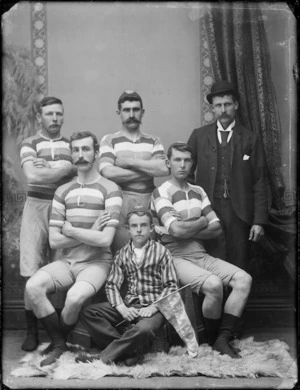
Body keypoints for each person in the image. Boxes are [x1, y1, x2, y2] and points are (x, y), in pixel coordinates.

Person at [25, 131, 122, 367]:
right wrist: (90, 230)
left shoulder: (111, 189)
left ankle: (59, 342)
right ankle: (59, 342)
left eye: (86, 149)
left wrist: (72, 231)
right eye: (76, 150)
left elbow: (105, 240)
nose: (81, 155)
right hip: (67, 262)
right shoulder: (63, 191)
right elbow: (55, 242)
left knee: (75, 296)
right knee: (33, 287)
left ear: (96, 153)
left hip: (96, 263)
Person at [152, 142, 252, 358]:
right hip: (174, 257)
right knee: (214, 284)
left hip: (200, 254)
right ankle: (212, 337)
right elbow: (177, 231)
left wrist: (186, 228)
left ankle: (222, 338)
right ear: (168, 163)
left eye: (187, 160)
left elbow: (216, 228)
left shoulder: (198, 191)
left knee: (244, 280)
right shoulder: (160, 192)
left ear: (192, 164)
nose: (182, 165)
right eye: (177, 160)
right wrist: (199, 222)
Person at [75, 206, 179, 366]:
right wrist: (122, 307)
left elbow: (171, 286)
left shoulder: (162, 252)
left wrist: (154, 307)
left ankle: (104, 357)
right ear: (128, 229)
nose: (139, 230)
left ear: (151, 228)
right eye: (134, 226)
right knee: (89, 312)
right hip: (130, 306)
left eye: (143, 225)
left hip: (154, 309)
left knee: (143, 330)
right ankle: (129, 354)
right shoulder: (123, 254)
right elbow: (111, 285)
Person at [187, 80, 268, 270]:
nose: (223, 110)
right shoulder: (199, 136)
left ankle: (235, 300)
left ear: (236, 105)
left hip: (239, 214)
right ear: (213, 108)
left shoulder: (250, 138)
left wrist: (259, 221)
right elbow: (186, 174)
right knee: (208, 265)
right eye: (218, 105)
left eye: (227, 104)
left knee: (237, 265)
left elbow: (259, 181)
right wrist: (191, 208)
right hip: (207, 211)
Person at [19, 96, 76, 352]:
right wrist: (64, 168)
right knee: (32, 268)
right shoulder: (30, 143)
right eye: (49, 114)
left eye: (59, 114)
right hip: (36, 206)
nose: (55, 118)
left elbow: (79, 169)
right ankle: (32, 331)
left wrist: (50, 167)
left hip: (63, 206)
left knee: (62, 267)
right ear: (39, 117)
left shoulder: (72, 144)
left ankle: (61, 332)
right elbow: (33, 175)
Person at [99, 90, 169, 253]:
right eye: (126, 110)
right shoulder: (110, 140)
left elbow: (164, 168)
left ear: (142, 112)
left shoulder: (153, 141)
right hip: (120, 202)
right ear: (119, 113)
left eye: (136, 109)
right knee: (121, 253)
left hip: (147, 202)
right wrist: (148, 170)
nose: (131, 114)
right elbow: (108, 172)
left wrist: (128, 162)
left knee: (148, 253)